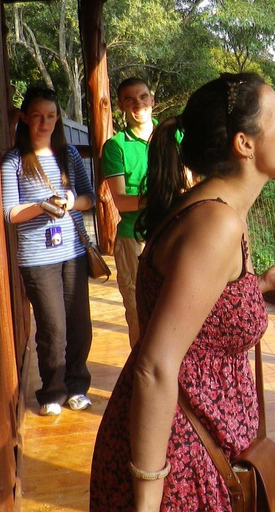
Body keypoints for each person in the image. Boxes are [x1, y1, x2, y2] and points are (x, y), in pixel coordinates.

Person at [90, 73, 275, 511]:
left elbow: (196, 310)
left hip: (196, 449)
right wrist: (148, 498)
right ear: (245, 144)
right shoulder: (217, 224)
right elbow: (155, 366)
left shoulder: (212, 208)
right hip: (182, 463)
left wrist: (259, 285)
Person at [1, 87, 96, 416]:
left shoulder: (67, 155)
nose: (45, 122)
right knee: (53, 327)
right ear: (25, 118)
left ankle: (77, 386)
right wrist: (41, 207)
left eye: (51, 116)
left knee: (79, 324)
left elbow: (90, 198)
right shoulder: (13, 160)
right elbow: (10, 212)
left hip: (72, 252)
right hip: (37, 258)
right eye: (38, 116)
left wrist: (71, 201)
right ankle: (52, 391)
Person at [101, 77, 155, 347]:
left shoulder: (173, 137)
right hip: (134, 237)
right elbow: (121, 201)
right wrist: (162, 195)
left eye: (143, 97)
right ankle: (138, 381)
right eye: (130, 99)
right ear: (121, 105)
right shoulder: (116, 146)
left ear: (152, 99)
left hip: (172, 232)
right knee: (139, 312)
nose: (138, 104)